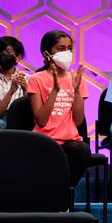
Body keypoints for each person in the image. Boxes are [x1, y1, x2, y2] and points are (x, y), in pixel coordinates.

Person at [26, 30, 91, 188]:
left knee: (82, 150)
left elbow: (78, 121)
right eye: (61, 49)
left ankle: (65, 192)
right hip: (44, 139)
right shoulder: (36, 79)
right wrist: (54, 91)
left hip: (69, 141)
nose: (67, 53)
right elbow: (41, 121)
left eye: (69, 48)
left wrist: (76, 91)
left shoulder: (76, 79)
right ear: (47, 54)